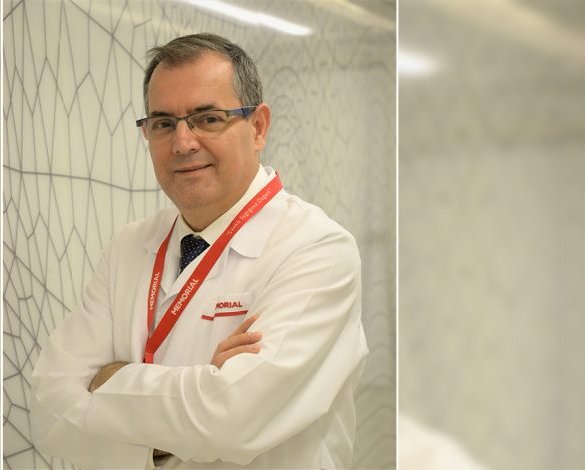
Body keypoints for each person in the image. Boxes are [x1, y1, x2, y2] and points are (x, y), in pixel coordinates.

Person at [30, 33, 368, 469]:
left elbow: (232, 417)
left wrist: (108, 382)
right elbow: (50, 403)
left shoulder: (318, 250)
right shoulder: (127, 247)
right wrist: (196, 397)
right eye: (163, 123)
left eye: (208, 119)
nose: (183, 143)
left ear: (258, 127)